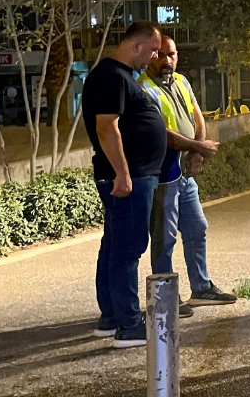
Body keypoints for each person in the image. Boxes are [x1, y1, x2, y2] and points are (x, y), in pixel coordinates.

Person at [83, 21, 166, 347]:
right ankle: (130, 325)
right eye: (154, 49)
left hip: (131, 175)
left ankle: (112, 317)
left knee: (115, 246)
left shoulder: (115, 76)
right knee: (127, 251)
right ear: (137, 46)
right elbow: (106, 128)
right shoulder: (112, 77)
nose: (155, 56)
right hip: (128, 179)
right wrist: (123, 173)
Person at [138, 35, 230, 317]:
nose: (168, 61)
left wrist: (198, 153)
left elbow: (197, 117)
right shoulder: (144, 89)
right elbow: (162, 134)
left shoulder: (181, 81)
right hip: (165, 173)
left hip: (185, 172)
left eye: (173, 55)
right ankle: (166, 297)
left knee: (197, 228)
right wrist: (198, 147)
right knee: (164, 238)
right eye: (162, 55)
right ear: (151, 56)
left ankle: (201, 288)